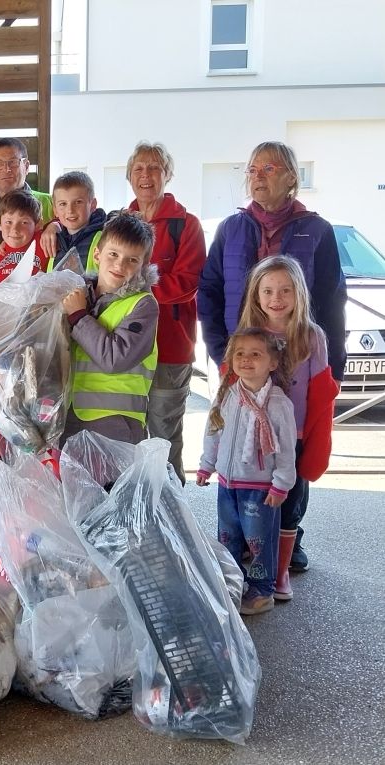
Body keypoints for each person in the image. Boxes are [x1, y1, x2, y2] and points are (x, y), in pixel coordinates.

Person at [198, 140, 347, 572]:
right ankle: (248, 537)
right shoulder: (232, 228)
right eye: (252, 169)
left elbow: (332, 300)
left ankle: (288, 537)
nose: (257, 176)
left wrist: (332, 368)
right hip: (242, 363)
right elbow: (209, 291)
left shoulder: (316, 230)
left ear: (291, 178)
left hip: (299, 363)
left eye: (268, 168)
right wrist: (221, 351)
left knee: (292, 448)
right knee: (243, 445)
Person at [235, 256, 338, 601]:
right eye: (267, 291)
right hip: (252, 437)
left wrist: (317, 441)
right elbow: (232, 386)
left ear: (299, 293)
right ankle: (255, 562)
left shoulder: (312, 337)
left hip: (294, 438)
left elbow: (321, 394)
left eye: (285, 290)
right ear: (256, 295)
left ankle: (280, 572)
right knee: (255, 500)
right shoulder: (248, 334)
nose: (276, 298)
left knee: (291, 504)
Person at [196, 327, 297, 615]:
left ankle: (263, 591)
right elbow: (213, 432)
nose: (246, 359)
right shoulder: (228, 395)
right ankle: (232, 583)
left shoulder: (278, 403)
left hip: (260, 488)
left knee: (259, 541)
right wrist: (207, 464)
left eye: (255, 354)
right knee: (228, 537)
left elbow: (286, 449)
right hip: (227, 484)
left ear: (273, 363)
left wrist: (281, 484)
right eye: (240, 353)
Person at [125, 141, 206, 485]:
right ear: (129, 176)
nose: (146, 175)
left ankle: (171, 507)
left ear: (167, 175)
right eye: (139, 168)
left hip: (170, 351)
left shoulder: (186, 225)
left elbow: (187, 283)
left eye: (154, 168)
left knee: (164, 436)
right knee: (127, 435)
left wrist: (135, 288)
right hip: (125, 349)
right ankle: (135, 509)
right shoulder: (119, 222)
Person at [61, 210, 160, 446]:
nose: (120, 264)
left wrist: (79, 316)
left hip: (116, 424)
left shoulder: (143, 305)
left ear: (143, 266)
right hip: (70, 417)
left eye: (132, 260)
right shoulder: (78, 294)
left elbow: (115, 358)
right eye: (113, 254)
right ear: (97, 254)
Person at [0, 138, 53, 252]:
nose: (6, 169)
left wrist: (55, 226)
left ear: (26, 166)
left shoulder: (53, 204)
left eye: (13, 162)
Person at [0, 189, 52, 282]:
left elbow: (70, 226)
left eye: (24, 222)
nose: (15, 229)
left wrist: (54, 226)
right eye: (8, 222)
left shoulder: (44, 241)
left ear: (38, 224)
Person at [52, 171, 106, 269]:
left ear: (92, 205)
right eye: (63, 204)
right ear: (55, 210)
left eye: (78, 202)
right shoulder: (54, 242)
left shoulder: (103, 240)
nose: (70, 210)